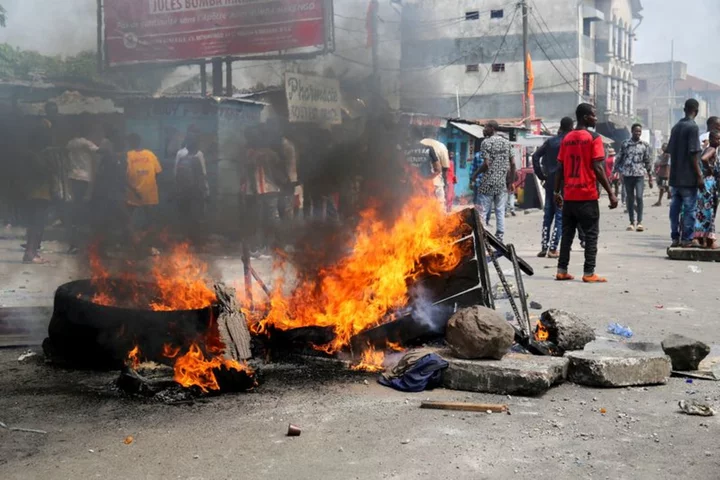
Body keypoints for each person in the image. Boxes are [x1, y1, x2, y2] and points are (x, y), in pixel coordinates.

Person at [554, 103, 618, 283]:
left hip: (569, 195)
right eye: (593, 115)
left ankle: (561, 270)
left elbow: (560, 167)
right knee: (591, 234)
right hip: (587, 195)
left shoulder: (566, 139)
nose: (595, 118)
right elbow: (598, 167)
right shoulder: (594, 138)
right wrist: (611, 193)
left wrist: (556, 192)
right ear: (584, 117)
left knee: (567, 234)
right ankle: (589, 272)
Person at [532, 117, 574, 258]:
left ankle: (544, 246)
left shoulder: (550, 142)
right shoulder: (570, 142)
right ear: (571, 127)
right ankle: (553, 248)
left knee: (548, 215)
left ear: (561, 127)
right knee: (560, 216)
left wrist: (540, 175)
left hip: (549, 181)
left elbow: (535, 156)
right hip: (564, 182)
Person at [667, 99, 704, 248]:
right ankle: (687, 239)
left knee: (675, 209)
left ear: (684, 109)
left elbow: (668, 150)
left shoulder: (676, 127)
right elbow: (693, 154)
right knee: (690, 209)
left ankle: (675, 237)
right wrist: (699, 175)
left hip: (675, 177)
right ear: (696, 110)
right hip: (688, 178)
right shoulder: (692, 127)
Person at [473, 121, 515, 241]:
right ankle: (500, 236)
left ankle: (483, 235)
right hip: (501, 183)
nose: (484, 129)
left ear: (492, 128)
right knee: (500, 210)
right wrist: (511, 182)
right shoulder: (507, 143)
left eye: (486, 127)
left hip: (487, 183)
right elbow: (512, 164)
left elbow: (486, 164)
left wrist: (475, 175)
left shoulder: (485, 142)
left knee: (482, 211)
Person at [125, 133, 162, 254]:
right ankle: (147, 246)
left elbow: (124, 176)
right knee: (151, 222)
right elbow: (158, 172)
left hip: (133, 194)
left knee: (129, 222)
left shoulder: (128, 155)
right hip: (149, 194)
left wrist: (135, 188)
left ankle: (137, 246)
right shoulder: (150, 154)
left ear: (130, 143)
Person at [64, 133, 99, 254]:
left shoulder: (70, 143)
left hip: (73, 177)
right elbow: (99, 151)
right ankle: (82, 245)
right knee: (83, 213)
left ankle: (74, 244)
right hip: (84, 178)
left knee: (75, 211)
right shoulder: (87, 143)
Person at [614, 124, 652, 231]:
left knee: (639, 197)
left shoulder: (644, 145)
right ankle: (631, 222)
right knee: (630, 198)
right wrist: (615, 172)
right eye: (636, 131)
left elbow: (647, 161)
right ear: (632, 131)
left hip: (639, 175)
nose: (638, 133)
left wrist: (649, 176)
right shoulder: (625, 144)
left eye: (639, 132)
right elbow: (619, 158)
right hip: (628, 175)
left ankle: (640, 222)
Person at [174, 135, 209, 244]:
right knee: (197, 216)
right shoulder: (197, 157)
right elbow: (203, 175)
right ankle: (197, 241)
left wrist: (177, 190)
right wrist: (207, 191)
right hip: (196, 192)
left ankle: (185, 240)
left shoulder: (181, 156)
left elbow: (176, 174)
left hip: (183, 191)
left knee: (185, 215)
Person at [694, 131, 720, 248]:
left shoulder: (709, 149)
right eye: (716, 139)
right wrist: (710, 169)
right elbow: (704, 159)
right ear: (711, 139)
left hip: (706, 183)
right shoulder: (712, 149)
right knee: (709, 211)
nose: (718, 141)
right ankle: (709, 239)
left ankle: (703, 239)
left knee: (703, 211)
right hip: (709, 183)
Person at [420, 137, 450, 209]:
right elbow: (445, 168)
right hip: (437, 183)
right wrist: (445, 184)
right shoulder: (441, 146)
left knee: (423, 208)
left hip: (420, 183)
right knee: (440, 208)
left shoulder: (418, 144)